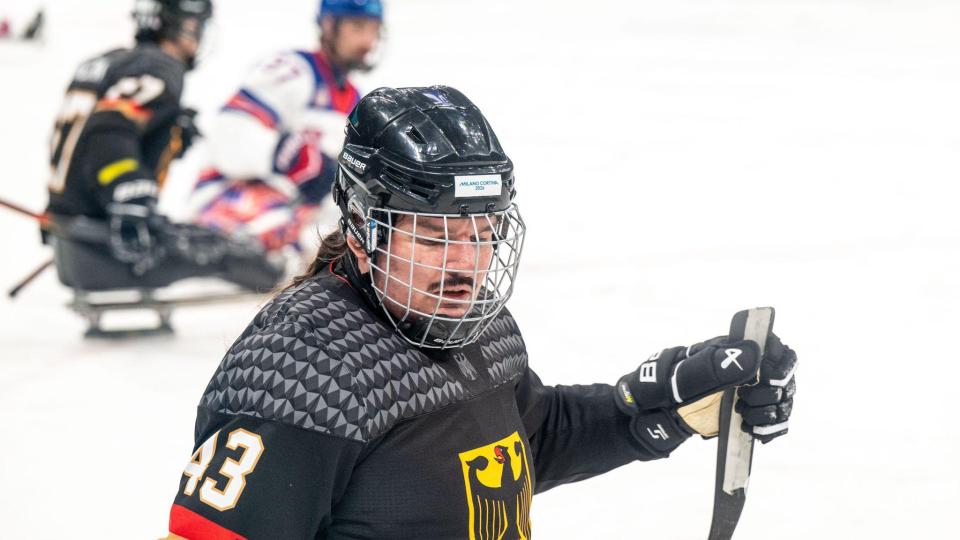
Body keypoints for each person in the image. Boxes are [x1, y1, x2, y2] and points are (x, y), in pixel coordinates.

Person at [166, 86, 798, 539]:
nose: (466, 263)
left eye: (481, 232)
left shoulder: (474, 323)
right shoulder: (302, 373)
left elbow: (527, 441)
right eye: (436, 236)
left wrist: (670, 405)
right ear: (363, 232)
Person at [44, 0, 282, 292]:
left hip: (70, 243)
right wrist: (130, 196)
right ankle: (280, 281)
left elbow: (85, 139)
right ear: (176, 25)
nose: (196, 37)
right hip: (106, 248)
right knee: (229, 251)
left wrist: (164, 135)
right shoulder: (160, 66)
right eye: (194, 27)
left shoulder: (108, 62)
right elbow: (107, 131)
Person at [186, 0, 383, 258]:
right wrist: (287, 154)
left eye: (374, 30)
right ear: (328, 25)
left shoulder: (355, 100)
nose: (368, 40)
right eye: (358, 27)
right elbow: (229, 135)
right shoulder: (293, 70)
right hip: (229, 197)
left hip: (292, 217)